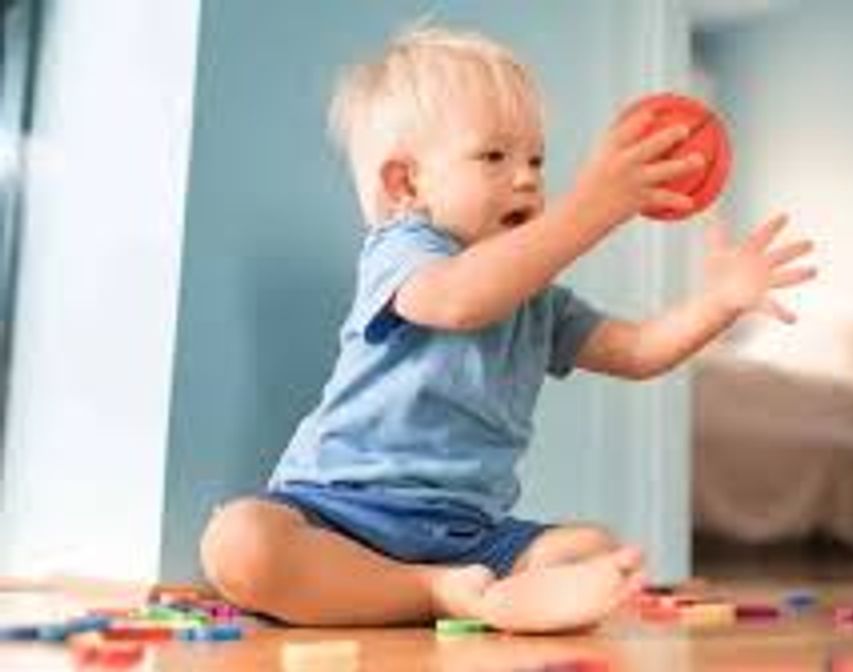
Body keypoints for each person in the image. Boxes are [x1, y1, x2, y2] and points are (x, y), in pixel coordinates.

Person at [199, 26, 815, 634]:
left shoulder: (536, 299)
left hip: (467, 535)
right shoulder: (402, 250)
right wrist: (595, 206)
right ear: (406, 185)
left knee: (593, 550)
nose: (526, 178)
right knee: (239, 542)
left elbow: (636, 351)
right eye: (494, 156)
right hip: (335, 514)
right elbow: (458, 300)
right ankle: (436, 593)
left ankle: (456, 589)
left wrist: (718, 302)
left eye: (536, 160)